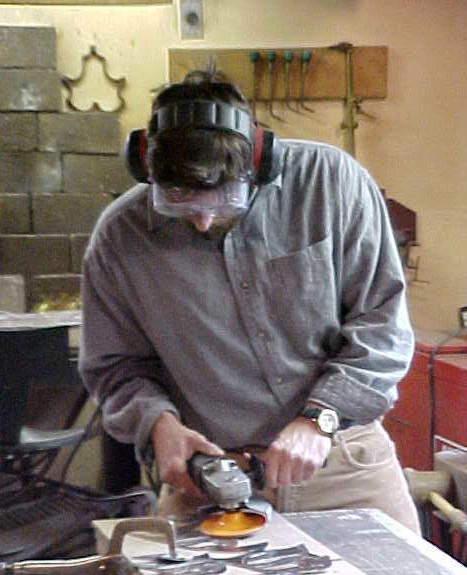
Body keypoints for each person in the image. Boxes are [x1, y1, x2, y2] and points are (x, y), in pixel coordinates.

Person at [78, 69, 420, 534]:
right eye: (178, 201)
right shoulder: (120, 238)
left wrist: (320, 418)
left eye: (223, 199)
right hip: (213, 475)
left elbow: (382, 326)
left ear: (258, 162)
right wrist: (159, 424)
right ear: (146, 168)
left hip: (343, 460)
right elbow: (114, 367)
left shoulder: (331, 184)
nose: (202, 220)